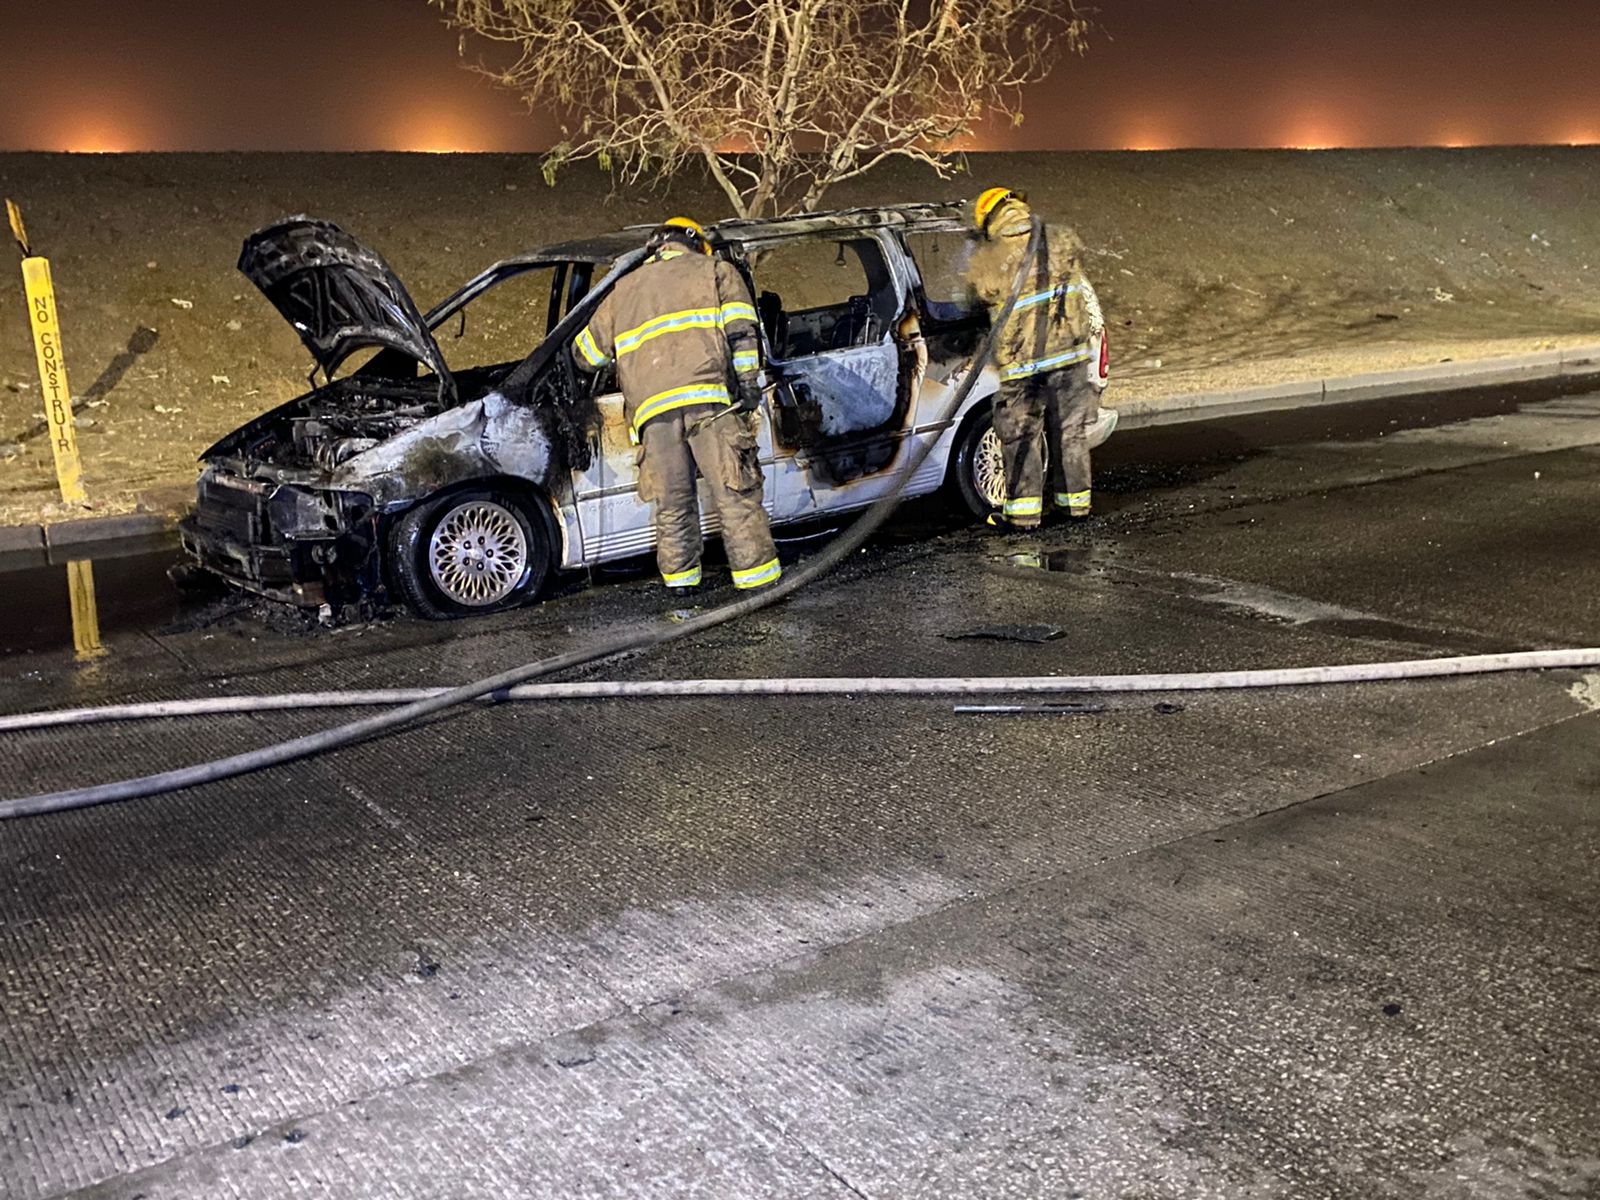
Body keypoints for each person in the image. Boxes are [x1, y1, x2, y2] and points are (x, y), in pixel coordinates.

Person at [573, 217, 781, 592]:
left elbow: (586, 355)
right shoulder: (716, 271)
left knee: (672, 501)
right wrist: (749, 383)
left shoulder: (623, 289)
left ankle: (681, 583)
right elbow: (742, 332)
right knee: (735, 491)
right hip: (710, 403)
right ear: (697, 244)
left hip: (653, 416)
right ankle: (758, 581)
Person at [966, 187, 1104, 528]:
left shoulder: (990, 256)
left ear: (989, 221)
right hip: (1069, 357)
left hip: (1023, 366)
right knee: (1070, 433)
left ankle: (1023, 517)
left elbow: (972, 300)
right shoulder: (1061, 238)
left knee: (1021, 435)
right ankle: (1075, 508)